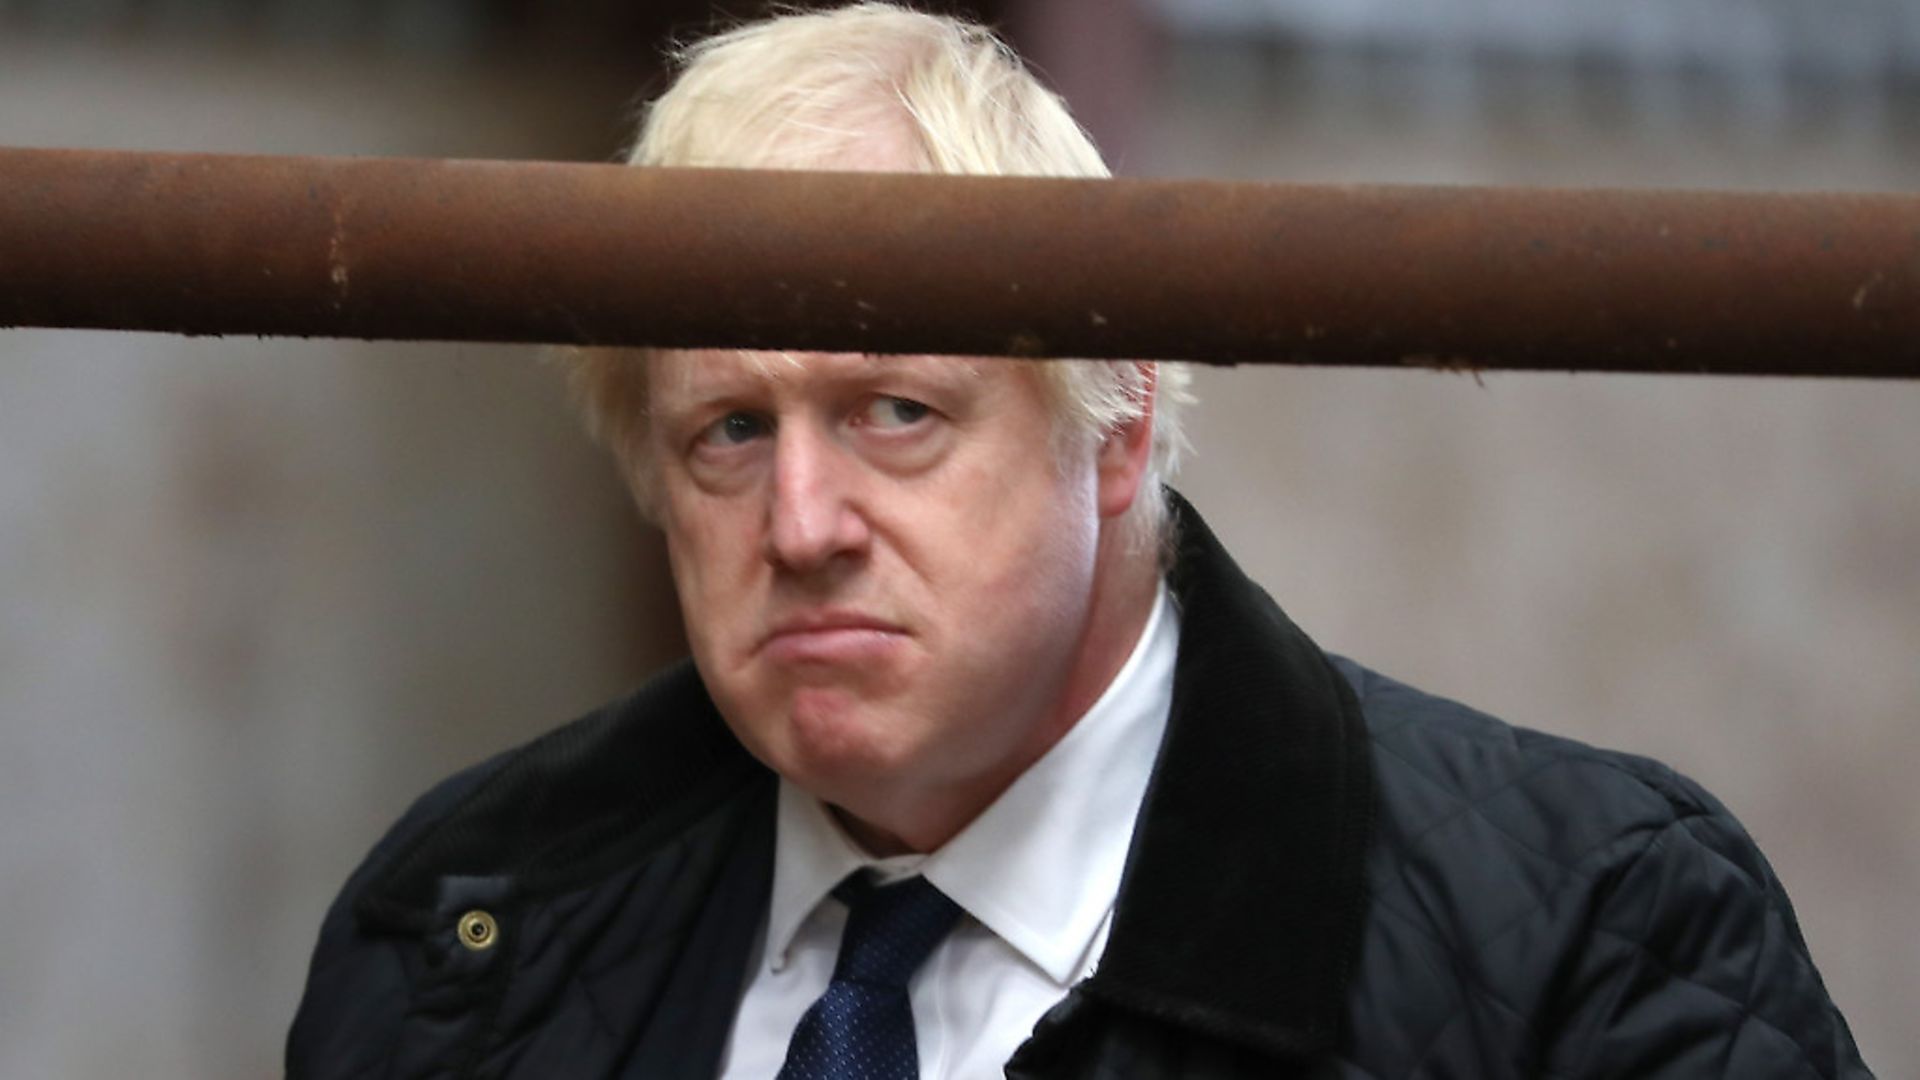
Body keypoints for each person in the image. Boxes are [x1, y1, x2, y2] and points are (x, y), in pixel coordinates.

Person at [286, 4, 1871, 1077]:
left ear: (1112, 432)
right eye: (730, 431)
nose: (803, 524)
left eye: (896, 410)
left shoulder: (1591, 938)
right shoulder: (463, 925)